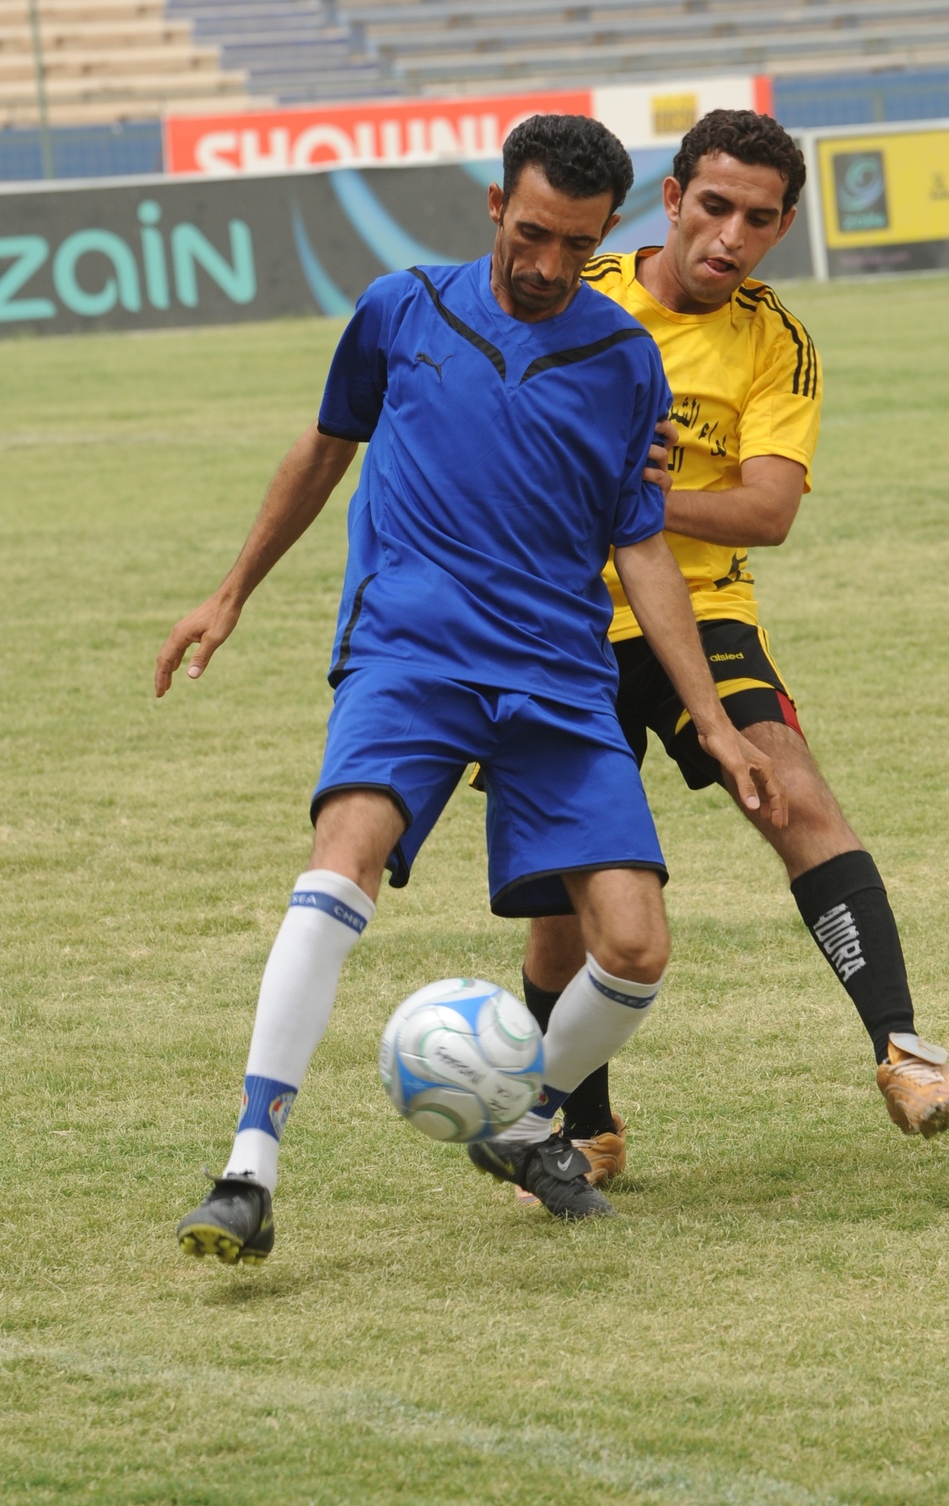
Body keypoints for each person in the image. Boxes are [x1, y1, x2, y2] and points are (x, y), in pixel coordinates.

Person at [155, 113, 786, 1257]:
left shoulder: (621, 360)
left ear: (606, 233)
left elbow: (638, 543)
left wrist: (712, 721)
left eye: (573, 243)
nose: (546, 266)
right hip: (411, 652)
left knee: (636, 947)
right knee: (340, 857)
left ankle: (518, 1113)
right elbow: (324, 446)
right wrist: (231, 589)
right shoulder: (402, 311)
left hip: (554, 674)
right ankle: (248, 1168)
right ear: (495, 208)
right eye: (529, 235)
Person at [519, 109, 949, 1201]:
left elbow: (765, 510)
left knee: (792, 793)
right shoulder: (579, 295)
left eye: (759, 219)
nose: (730, 236)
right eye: (713, 207)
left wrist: (646, 494)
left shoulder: (775, 340)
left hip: (701, 614)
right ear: (670, 200)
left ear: (783, 226)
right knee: (565, 917)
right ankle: (584, 1126)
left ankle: (902, 1050)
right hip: (556, 625)